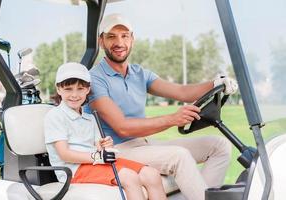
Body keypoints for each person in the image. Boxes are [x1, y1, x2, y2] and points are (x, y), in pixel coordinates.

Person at [87, 13, 238, 200]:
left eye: (124, 36)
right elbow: (122, 127)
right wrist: (173, 119)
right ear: (101, 41)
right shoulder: (94, 79)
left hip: (143, 144)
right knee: (179, 156)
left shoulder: (139, 74)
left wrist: (216, 83)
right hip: (118, 150)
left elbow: (182, 92)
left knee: (219, 146)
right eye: (111, 36)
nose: (119, 42)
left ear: (132, 39)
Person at [44, 62, 167, 200]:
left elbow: (99, 147)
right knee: (129, 177)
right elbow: (65, 155)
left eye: (80, 88)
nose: (74, 94)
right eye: (68, 89)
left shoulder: (90, 117)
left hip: (95, 163)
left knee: (151, 174)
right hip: (73, 170)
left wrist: (105, 146)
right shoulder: (55, 116)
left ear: (87, 89)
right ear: (59, 89)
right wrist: (97, 157)